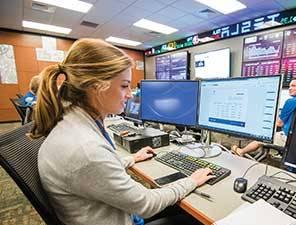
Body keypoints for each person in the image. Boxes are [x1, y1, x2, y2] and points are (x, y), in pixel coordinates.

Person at [29, 38, 214, 225]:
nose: (131, 94)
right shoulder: (86, 149)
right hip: (124, 217)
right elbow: (146, 204)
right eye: (124, 85)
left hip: (110, 212)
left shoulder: (72, 121)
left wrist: (131, 159)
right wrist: (192, 180)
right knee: (193, 219)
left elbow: (97, 171)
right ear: (96, 87)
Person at [231, 77, 296, 156]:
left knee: (260, 138)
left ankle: (241, 151)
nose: (290, 88)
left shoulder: (291, 101)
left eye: (293, 86)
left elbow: (279, 123)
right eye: (289, 86)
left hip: (287, 138)